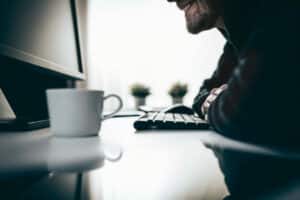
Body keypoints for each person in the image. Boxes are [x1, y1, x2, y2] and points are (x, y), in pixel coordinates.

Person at [167, 0, 300, 199]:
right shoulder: (239, 37)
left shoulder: (280, 15)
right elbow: (205, 92)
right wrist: (216, 99)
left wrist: (217, 100)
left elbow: (242, 110)